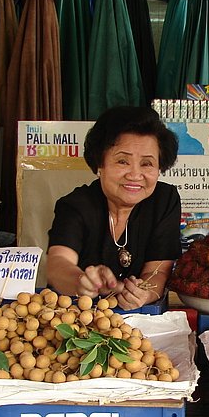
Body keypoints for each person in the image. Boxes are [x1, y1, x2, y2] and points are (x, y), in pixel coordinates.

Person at [46, 106, 181, 310]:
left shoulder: (164, 200)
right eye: (122, 161)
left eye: (147, 164)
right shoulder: (75, 205)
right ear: (100, 164)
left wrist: (144, 293)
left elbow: (159, 271)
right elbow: (57, 264)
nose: (135, 175)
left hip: (139, 326)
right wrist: (80, 281)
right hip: (77, 319)